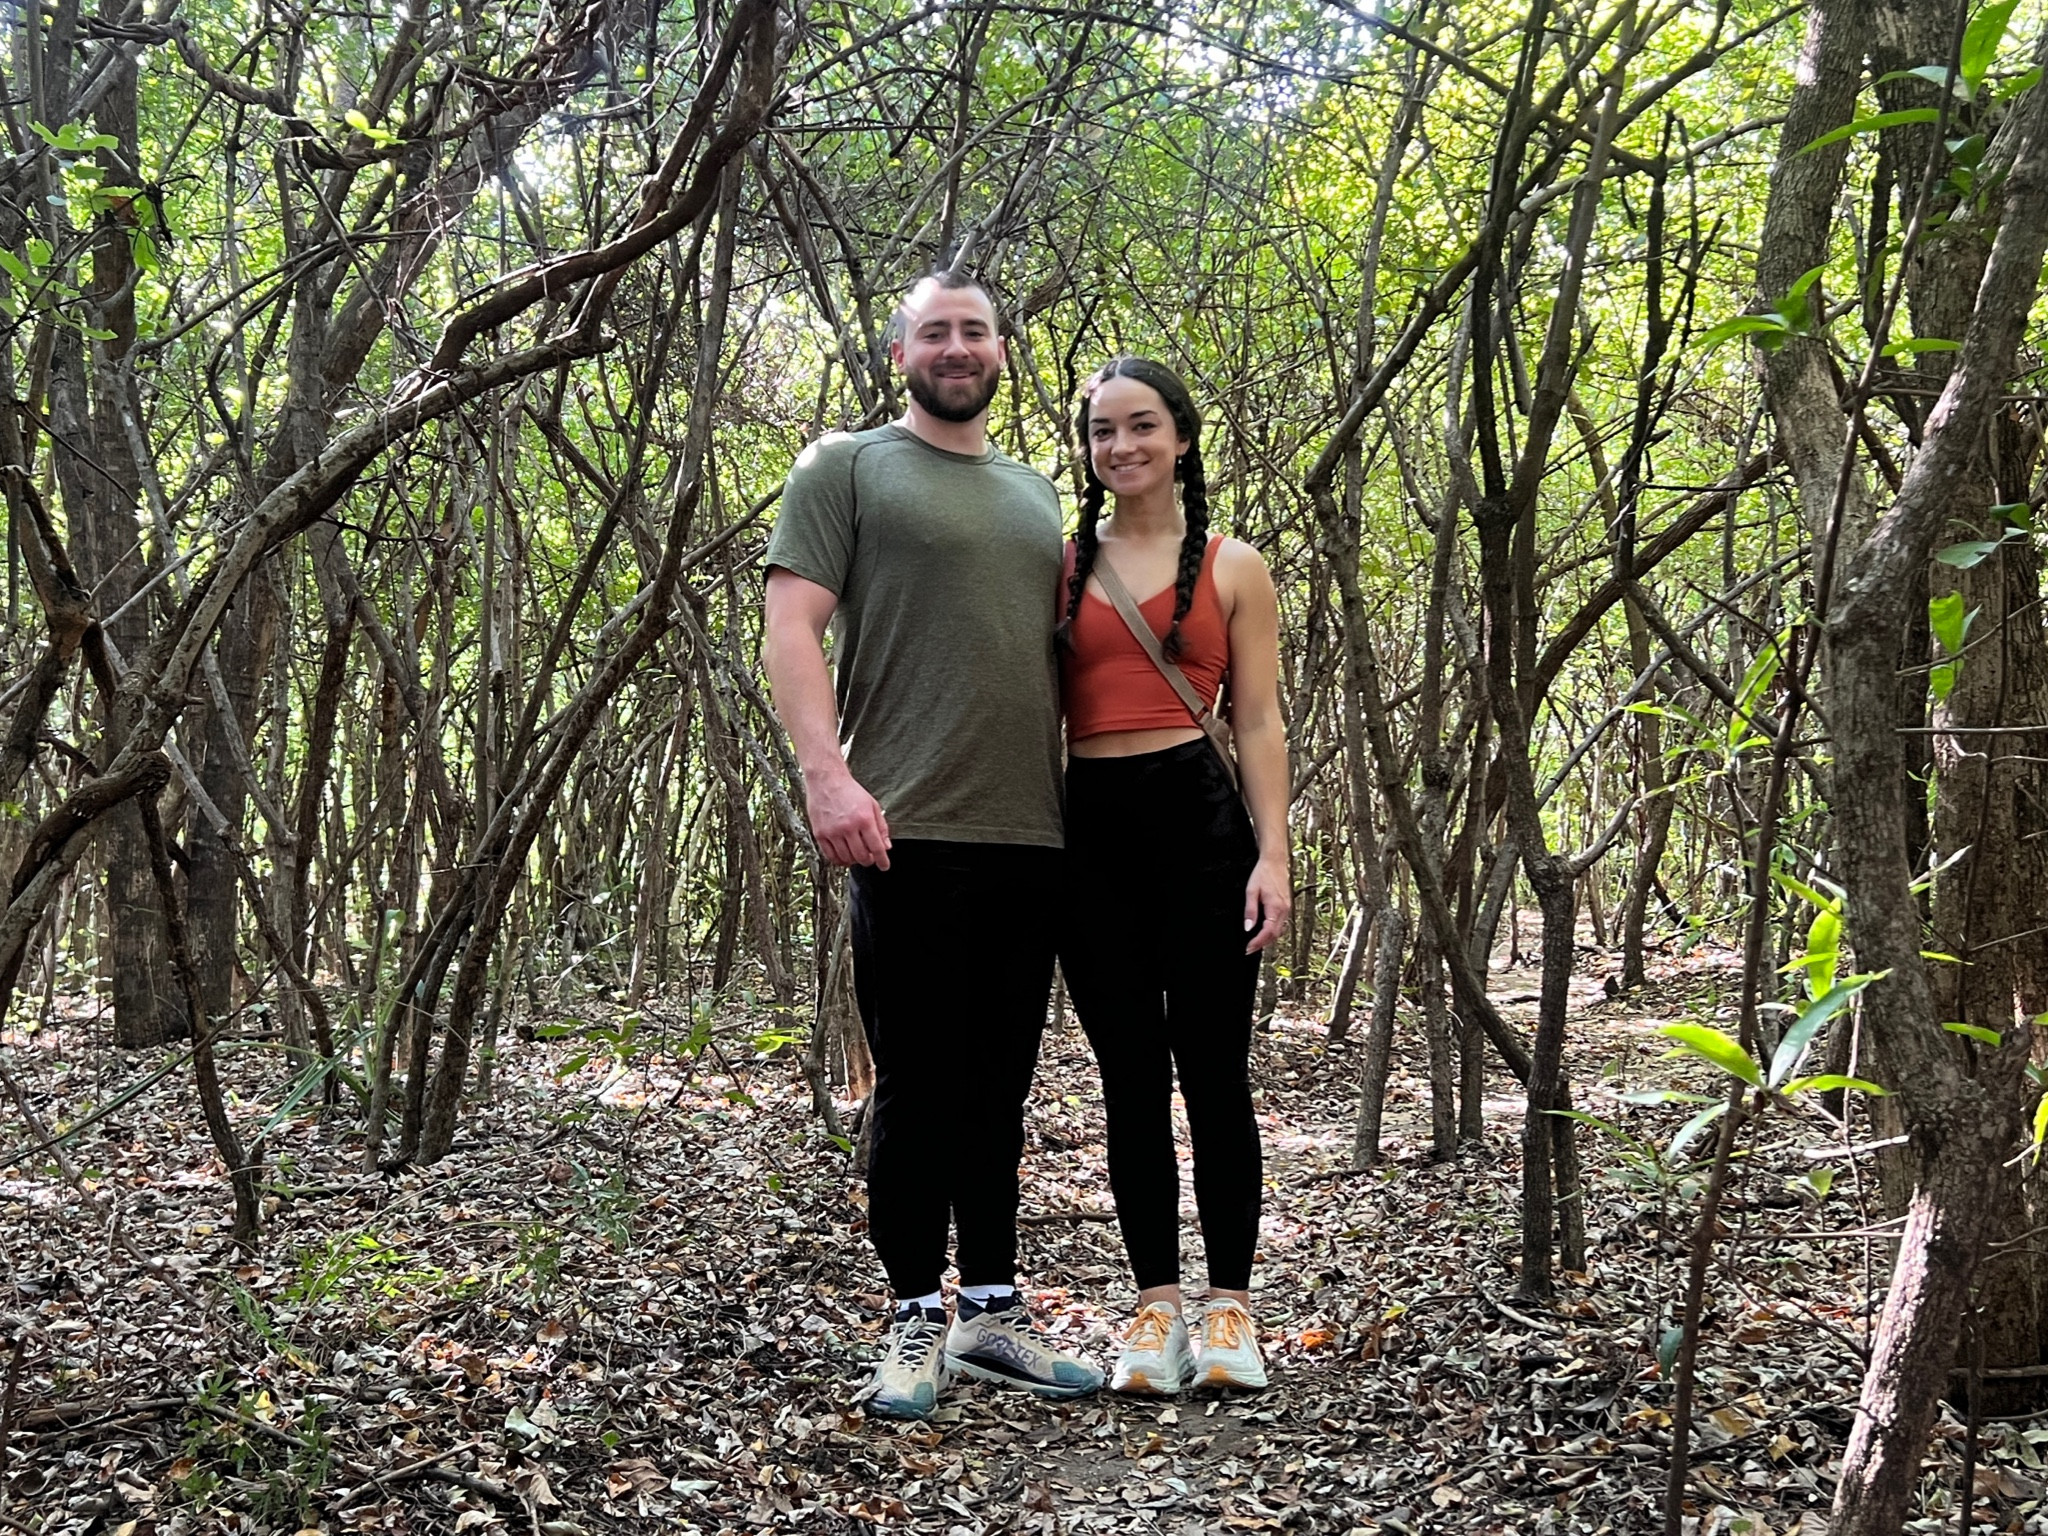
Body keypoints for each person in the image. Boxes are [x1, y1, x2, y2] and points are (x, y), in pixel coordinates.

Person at [760, 268, 1104, 1421]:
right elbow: (790, 626)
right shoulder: (845, 466)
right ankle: (912, 1317)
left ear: (1002, 353)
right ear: (900, 347)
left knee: (999, 1087)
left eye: (975, 332)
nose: (955, 347)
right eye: (935, 331)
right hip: (900, 829)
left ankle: (992, 1318)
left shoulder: (1039, 494)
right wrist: (825, 775)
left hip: (1032, 836)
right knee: (915, 1084)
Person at [1056, 356, 1290, 1395]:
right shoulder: (1058, 562)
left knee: (1212, 1072)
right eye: (1103, 432)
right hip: (1087, 835)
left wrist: (1274, 855)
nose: (1122, 448)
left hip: (1200, 827)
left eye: (1141, 427)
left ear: (1181, 439)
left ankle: (1229, 1310)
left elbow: (1257, 717)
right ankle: (1153, 1309)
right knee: (1127, 1083)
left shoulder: (1235, 566)